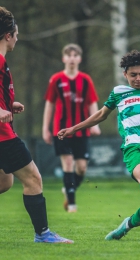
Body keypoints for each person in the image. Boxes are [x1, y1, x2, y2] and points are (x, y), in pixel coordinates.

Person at [57, 49, 140, 240]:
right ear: (125, 75)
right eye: (133, 75)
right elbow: (100, 115)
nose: (138, 78)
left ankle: (126, 226)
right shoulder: (119, 92)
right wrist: (74, 129)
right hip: (134, 146)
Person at [0, 6, 73, 243]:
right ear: (8, 35)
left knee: (4, 181)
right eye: (17, 34)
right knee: (33, 178)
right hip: (3, 136)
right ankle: (43, 234)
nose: (18, 39)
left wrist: (8, 106)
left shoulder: (3, 62)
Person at [42, 43, 101, 213]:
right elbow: (49, 104)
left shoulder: (86, 80)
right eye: (69, 55)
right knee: (68, 163)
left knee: (81, 167)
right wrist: (45, 128)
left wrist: (95, 125)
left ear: (80, 59)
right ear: (64, 58)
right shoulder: (56, 79)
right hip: (61, 130)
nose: (72, 58)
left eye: (75, 55)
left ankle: (69, 188)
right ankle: (72, 206)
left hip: (82, 130)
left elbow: (92, 103)